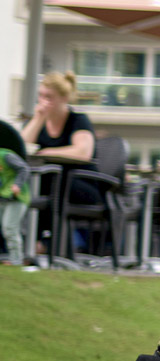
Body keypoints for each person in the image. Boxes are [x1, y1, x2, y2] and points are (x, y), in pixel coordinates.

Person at [22, 70, 101, 250]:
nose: (43, 101)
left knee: (53, 185)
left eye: (49, 97)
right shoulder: (39, 122)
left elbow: (83, 151)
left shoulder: (78, 120)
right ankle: (24, 242)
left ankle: (49, 244)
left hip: (82, 185)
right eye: (41, 96)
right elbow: (22, 148)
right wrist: (38, 118)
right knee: (23, 186)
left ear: (64, 98)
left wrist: (48, 152)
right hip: (49, 183)